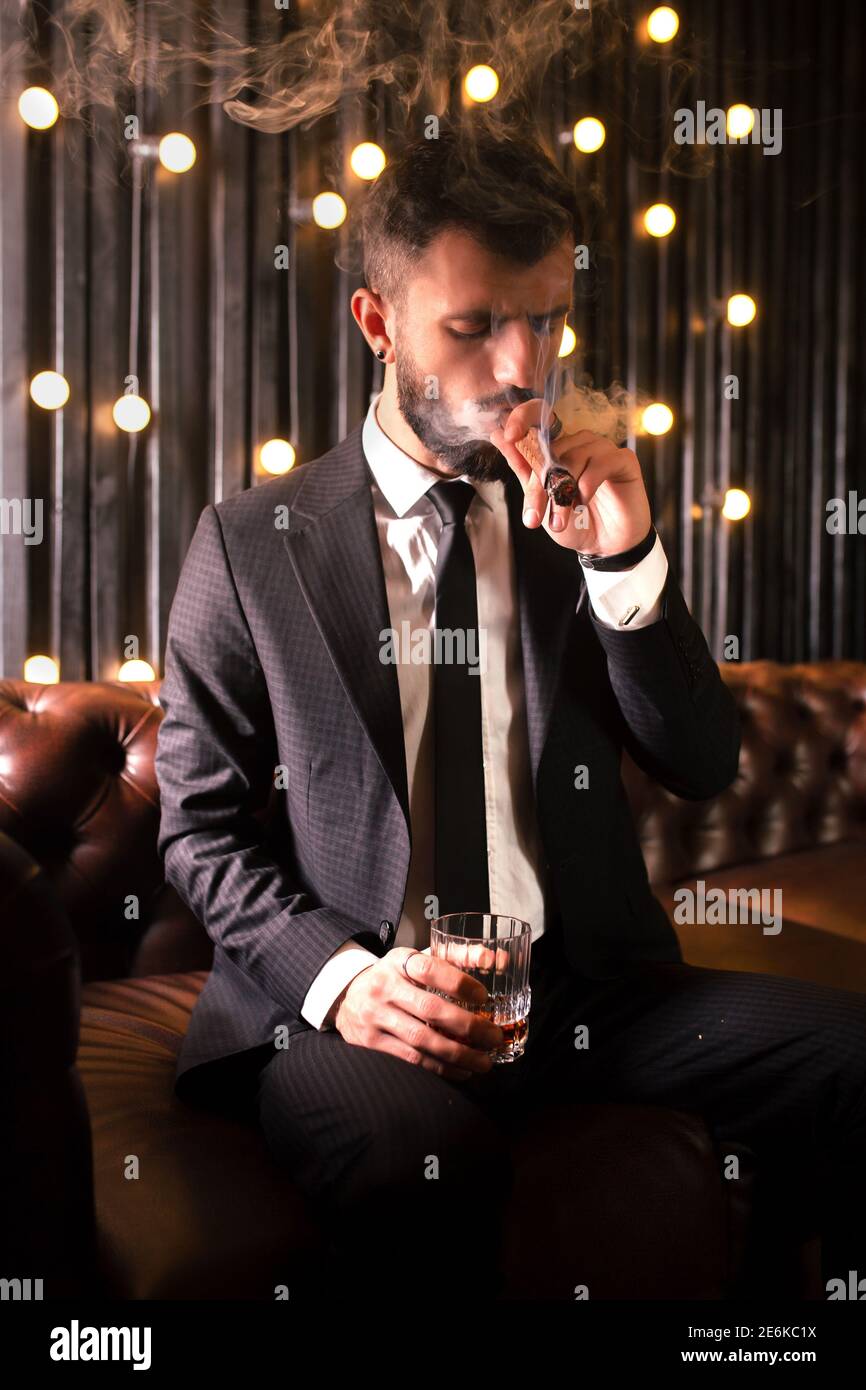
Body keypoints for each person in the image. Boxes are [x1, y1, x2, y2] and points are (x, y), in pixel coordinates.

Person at [155, 123, 866, 1300]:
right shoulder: (245, 545)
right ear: (377, 323)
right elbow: (199, 831)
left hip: (591, 990)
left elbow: (698, 761)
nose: (520, 364)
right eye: (475, 326)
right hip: (360, 1007)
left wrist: (625, 560)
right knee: (418, 1168)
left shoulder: (575, 511)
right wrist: (345, 981)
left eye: (545, 317)